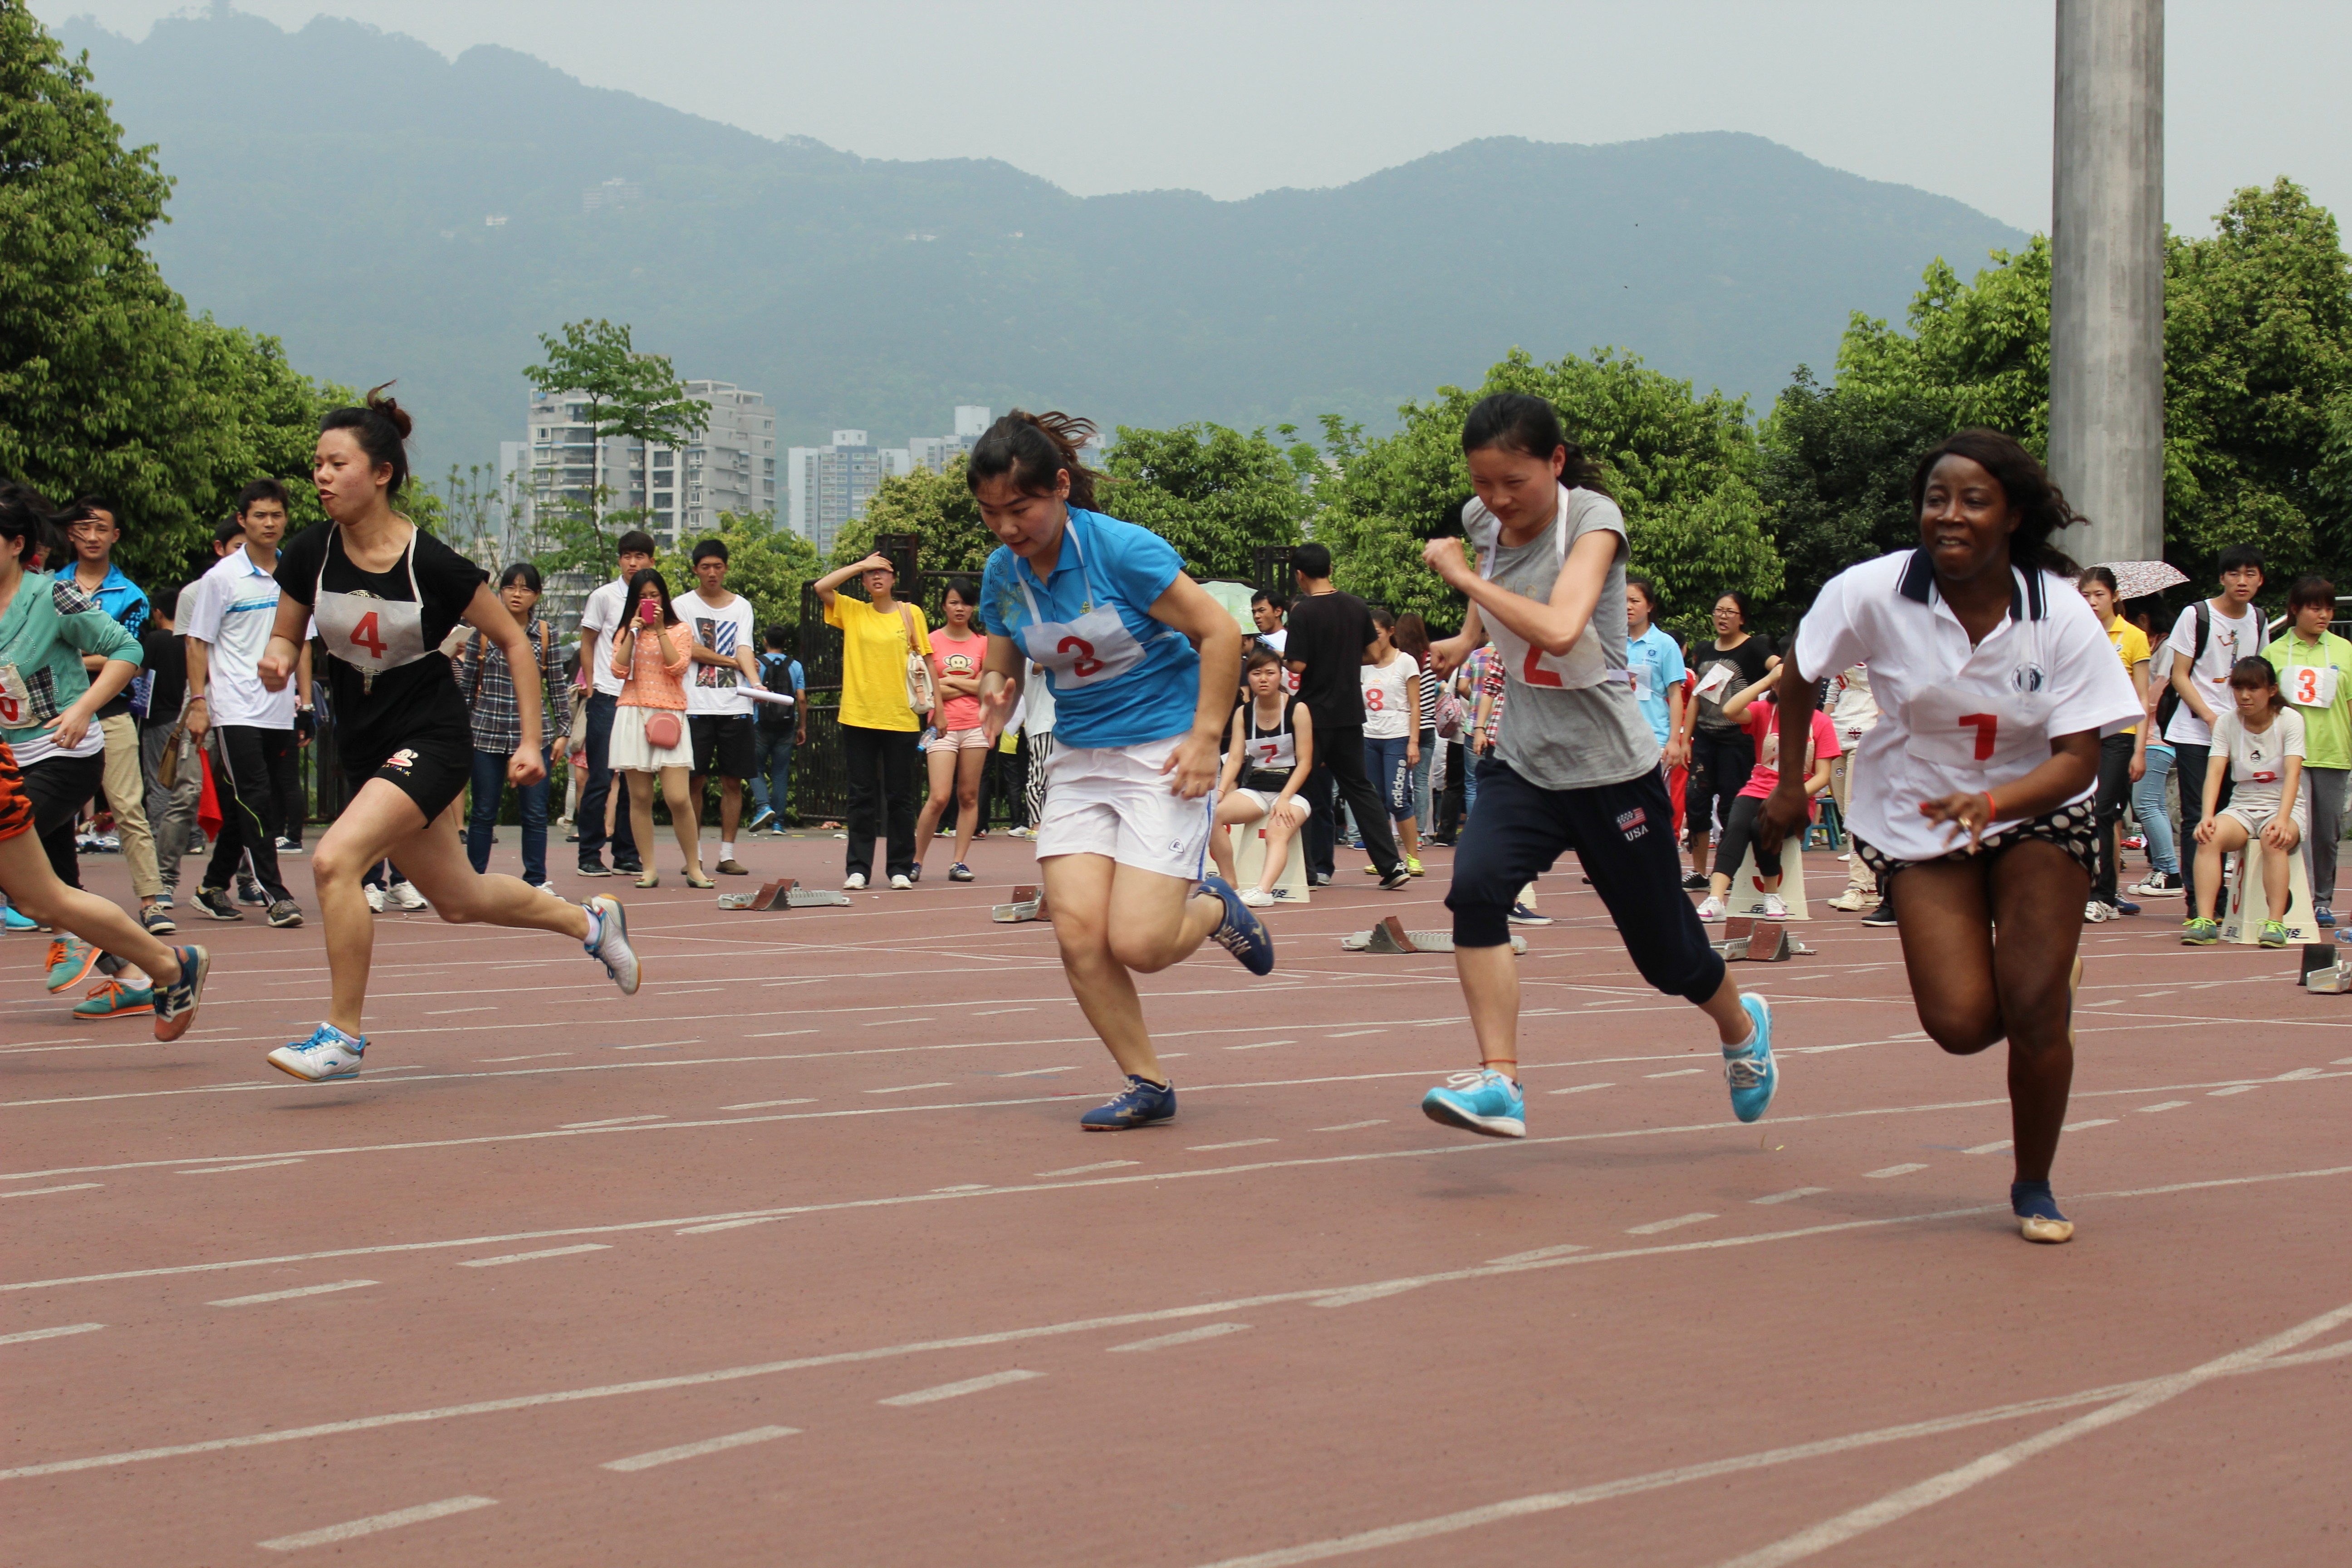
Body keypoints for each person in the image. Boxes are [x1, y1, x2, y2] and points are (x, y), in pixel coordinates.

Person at [1758, 428, 2141, 1245]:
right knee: (1960, 1024)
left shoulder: (2058, 612)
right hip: (1920, 810)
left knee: (2034, 1007)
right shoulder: (1872, 591)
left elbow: (2079, 759)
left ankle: (2033, 1185)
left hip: (2036, 808)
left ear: (2012, 515)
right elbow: (1800, 670)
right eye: (1936, 499)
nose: (1950, 515)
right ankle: (2040, 985)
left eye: (1973, 500)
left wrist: (1994, 799)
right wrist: (1790, 782)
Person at [1414, 394, 1778, 1142]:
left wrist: (1461, 581)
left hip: (1610, 770)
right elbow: (1496, 571)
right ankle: (1501, 1082)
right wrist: (1466, 638)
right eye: (1481, 483)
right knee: (1475, 889)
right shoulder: (1482, 521)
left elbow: (1557, 626)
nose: (1495, 501)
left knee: (1667, 958)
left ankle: (1742, 1028)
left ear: (1555, 462)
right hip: (1524, 760)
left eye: (1513, 482)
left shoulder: (1592, 520)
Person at [255, 389, 640, 1083]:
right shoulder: (311, 552)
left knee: (334, 861)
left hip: (430, 736)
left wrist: (531, 741)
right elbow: (287, 633)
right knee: (459, 899)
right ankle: (592, 923)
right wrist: (279, 658)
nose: (321, 476)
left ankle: (342, 1036)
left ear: (381, 474)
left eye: (337, 464)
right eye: (317, 464)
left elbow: (514, 642)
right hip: (365, 742)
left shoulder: (430, 563)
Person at [966, 410, 1270, 1131]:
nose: (1007, 527)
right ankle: (1147, 1081)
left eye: (1021, 508)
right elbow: (1004, 654)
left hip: (1162, 752)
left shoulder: (1121, 551)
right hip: (1079, 758)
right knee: (1077, 933)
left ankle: (1215, 905)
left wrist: (1206, 738)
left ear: (1060, 486)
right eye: (990, 513)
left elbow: (1218, 631)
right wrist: (995, 690)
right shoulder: (1003, 574)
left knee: (1140, 945)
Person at [2, 483, 199, 1022]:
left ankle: (157, 961)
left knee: (32, 891)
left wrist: (83, 708)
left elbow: (127, 649)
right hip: (10, 764)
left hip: (63, 755)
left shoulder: (51, 596)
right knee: (50, 894)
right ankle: (141, 973)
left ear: (17, 545)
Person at [180, 480, 310, 927]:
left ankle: (211, 886)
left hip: (280, 708)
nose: (269, 523)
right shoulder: (221, 578)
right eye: (260, 516)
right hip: (234, 707)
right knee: (256, 796)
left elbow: (303, 643)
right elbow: (197, 643)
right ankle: (275, 894)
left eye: (276, 515)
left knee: (255, 800)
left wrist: (305, 705)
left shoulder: (294, 573)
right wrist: (200, 702)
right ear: (243, 520)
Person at [62, 498, 170, 935]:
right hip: (56, 715)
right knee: (52, 811)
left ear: (115, 536)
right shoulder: (49, 587)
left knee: (128, 807)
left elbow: (129, 656)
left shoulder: (131, 595)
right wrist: (99, 656)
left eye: (101, 529)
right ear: (71, 533)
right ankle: (61, 902)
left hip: (110, 711)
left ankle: (152, 901)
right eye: (84, 528)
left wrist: (72, 656)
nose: (92, 537)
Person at [1285, 543, 1408, 890]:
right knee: (1360, 788)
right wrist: (1343, 659)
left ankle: (1307, 871)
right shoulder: (1356, 606)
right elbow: (1373, 654)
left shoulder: (1304, 612)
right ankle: (1391, 865)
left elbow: (1298, 665)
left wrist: (1283, 657)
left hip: (1312, 714)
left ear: (1300, 575)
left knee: (1303, 788)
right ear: (1330, 569)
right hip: (1350, 711)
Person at [813, 549, 930, 890]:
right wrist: (859, 565)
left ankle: (900, 868)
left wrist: (937, 708)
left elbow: (927, 660)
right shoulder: (853, 611)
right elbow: (822, 587)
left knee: (900, 797)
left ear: (894, 579)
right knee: (861, 796)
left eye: (883, 571)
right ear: (863, 581)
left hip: (901, 716)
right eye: (871, 573)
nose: (877, 577)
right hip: (859, 715)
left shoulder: (911, 613)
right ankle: (859, 869)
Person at [2162, 544, 2267, 913]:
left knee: (2229, 814)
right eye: (2234, 573)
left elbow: (2259, 674)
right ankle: (2200, 901)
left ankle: (2223, 897)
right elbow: (2179, 675)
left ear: (2260, 580)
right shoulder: (2197, 615)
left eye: (2250, 574)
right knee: (2198, 814)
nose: (2242, 581)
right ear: (2222, 577)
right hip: (2196, 732)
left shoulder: (2259, 619)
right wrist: (2209, 716)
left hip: (2239, 734)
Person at [456, 562, 565, 892]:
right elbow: (467, 686)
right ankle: (473, 882)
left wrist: (563, 731)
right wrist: (459, 729)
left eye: (526, 589)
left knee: (535, 813)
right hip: (486, 732)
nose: (517, 595)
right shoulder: (482, 631)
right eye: (510, 587)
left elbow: (557, 686)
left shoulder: (545, 634)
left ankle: (536, 880)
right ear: (500, 592)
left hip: (533, 736)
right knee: (483, 812)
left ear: (537, 595)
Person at [1698, 666, 1839, 921]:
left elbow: (1822, 776)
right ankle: (1716, 899)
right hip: (1756, 790)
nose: (1789, 688)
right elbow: (1729, 711)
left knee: (1762, 826)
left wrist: (1789, 795)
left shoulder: (1821, 722)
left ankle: (1772, 895)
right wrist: (1767, 679)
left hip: (1796, 800)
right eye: (1781, 683)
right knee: (1736, 825)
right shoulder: (1764, 711)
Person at [2182, 658, 2304, 947]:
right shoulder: (2226, 722)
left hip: (2284, 806)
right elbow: (2215, 772)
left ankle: (2276, 923)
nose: (2245, 696)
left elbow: (2294, 774)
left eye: (2253, 689)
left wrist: (2283, 819)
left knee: (2273, 837)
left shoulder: (2290, 719)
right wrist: (2207, 816)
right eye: (2238, 689)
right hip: (2242, 805)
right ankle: (2205, 920)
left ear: (2272, 690)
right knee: (2208, 837)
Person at [666, 539, 763, 877]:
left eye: (717, 567)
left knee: (732, 782)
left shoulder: (742, 607)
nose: (712, 573)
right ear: (696, 569)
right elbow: (688, 649)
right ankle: (694, 856)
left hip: (735, 705)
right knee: (693, 782)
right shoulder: (681, 605)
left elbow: (745, 647)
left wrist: (755, 682)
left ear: (726, 568)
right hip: (694, 705)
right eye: (705, 567)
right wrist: (733, 662)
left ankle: (727, 854)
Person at [608, 567, 702, 888]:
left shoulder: (680, 629)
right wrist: (633, 633)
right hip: (633, 713)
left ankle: (694, 867)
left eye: (655, 595)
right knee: (640, 797)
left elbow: (678, 667)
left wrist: (660, 630)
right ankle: (648, 868)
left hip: (669, 714)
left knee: (678, 797)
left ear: (664, 597)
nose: (650, 602)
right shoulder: (627, 631)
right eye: (643, 597)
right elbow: (618, 670)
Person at [2264, 577, 2350, 926]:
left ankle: (2323, 900)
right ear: (2295, 609)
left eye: (2329, 608)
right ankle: (2296, 899)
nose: (2324, 615)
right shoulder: (2273, 653)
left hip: (2334, 752)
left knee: (2327, 834)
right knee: (2294, 830)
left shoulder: (2345, 650)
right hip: (2288, 756)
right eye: (2316, 608)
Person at [1678, 590, 1776, 889]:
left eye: (1730, 612)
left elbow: (1780, 667)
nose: (1723, 617)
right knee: (1696, 803)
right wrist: (1685, 740)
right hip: (1705, 739)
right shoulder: (1705, 649)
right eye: (1719, 611)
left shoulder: (1754, 648)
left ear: (1742, 618)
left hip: (1738, 741)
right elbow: (1697, 696)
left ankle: (1728, 871)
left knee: (1732, 807)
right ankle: (1699, 872)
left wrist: (1766, 686)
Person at [574, 530, 657, 879]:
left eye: (639, 556)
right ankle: (589, 854)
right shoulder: (604, 596)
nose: (632, 563)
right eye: (627, 556)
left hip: (643, 697)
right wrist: (591, 685)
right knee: (600, 777)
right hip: (608, 694)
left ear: (651, 561)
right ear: (620, 560)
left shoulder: (656, 598)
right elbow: (588, 641)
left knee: (636, 778)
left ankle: (626, 853)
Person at [1209, 644, 1316, 907]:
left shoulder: (1298, 709)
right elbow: (1235, 758)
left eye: (1270, 673)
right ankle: (1231, 883)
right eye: (1257, 674)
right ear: (1249, 677)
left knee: (1276, 832)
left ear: (1280, 675)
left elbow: (1305, 762)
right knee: (1212, 815)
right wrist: (1221, 791)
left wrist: (1285, 798)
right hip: (1257, 788)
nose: (1264, 679)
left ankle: (1264, 891)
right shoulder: (1243, 713)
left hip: (1294, 791)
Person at [2078, 567, 2150, 922]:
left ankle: (2104, 895)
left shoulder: (2134, 636)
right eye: (2086, 596)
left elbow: (2142, 696)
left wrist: (2140, 750)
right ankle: (2085, 888)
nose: (2092, 602)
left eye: (2099, 595)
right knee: (2080, 813)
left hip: (2120, 735)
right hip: (2082, 733)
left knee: (2103, 811)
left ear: (2115, 596)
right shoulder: (2076, 634)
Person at [914, 577, 990, 881]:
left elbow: (986, 688)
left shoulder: (983, 643)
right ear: (944, 606)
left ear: (973, 608)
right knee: (939, 797)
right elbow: (925, 690)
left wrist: (947, 682)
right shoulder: (931, 641)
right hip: (941, 726)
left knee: (969, 797)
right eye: (954, 602)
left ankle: (958, 862)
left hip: (975, 727)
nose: (960, 608)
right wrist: (967, 685)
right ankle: (915, 861)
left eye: (966, 603)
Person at [137, 586, 201, 909]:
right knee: (189, 782)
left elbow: (139, 673)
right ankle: (194, 836)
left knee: (160, 781)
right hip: (190, 716)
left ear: (158, 613)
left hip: (160, 718)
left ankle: (157, 837)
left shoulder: (157, 640)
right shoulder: (192, 640)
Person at [1359, 606, 1424, 876]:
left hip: (1397, 736)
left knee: (1397, 799)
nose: (1373, 639)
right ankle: (1385, 858)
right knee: (1375, 801)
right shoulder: (1362, 664)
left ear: (1391, 632)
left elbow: (1416, 705)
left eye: (1377, 633)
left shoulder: (1405, 662)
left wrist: (1413, 742)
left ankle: (1413, 857)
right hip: (1369, 737)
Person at [2127, 603, 2182, 899]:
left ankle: (2169, 871)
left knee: (2146, 804)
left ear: (2144, 618)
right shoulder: (2157, 645)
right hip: (2151, 735)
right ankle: (2164, 868)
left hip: (2157, 736)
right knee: (2154, 804)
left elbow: (2158, 691)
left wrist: (2133, 702)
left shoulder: (2167, 647)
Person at [1823, 663, 1882, 912]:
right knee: (1845, 813)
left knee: (1854, 813)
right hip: (1837, 735)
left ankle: (1857, 886)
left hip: (1867, 734)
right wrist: (1821, 730)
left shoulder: (1879, 654)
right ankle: (1870, 887)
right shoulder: (1838, 654)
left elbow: (1887, 689)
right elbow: (1832, 692)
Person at [1391, 612, 1443, 849]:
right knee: (1422, 782)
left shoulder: (1398, 659)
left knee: (1399, 781)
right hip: (1428, 726)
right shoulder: (1430, 658)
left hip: (1403, 726)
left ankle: (1402, 831)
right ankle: (1420, 833)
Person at [747, 626, 805, 832]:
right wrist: (802, 727)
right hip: (787, 726)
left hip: (760, 724)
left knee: (755, 768)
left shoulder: (756, 664)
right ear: (785, 643)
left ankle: (763, 806)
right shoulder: (795, 666)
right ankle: (779, 824)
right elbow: (801, 699)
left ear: (765, 641)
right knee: (780, 773)